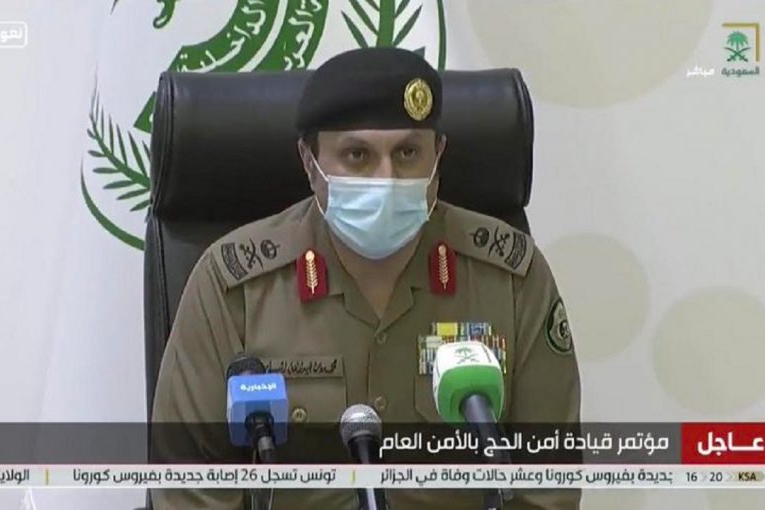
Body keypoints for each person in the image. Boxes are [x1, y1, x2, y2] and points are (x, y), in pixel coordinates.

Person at [151, 47, 581, 509]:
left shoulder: (512, 278)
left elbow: (547, 484)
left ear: (439, 155)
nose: (386, 179)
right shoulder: (233, 285)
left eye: (407, 153)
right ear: (309, 161)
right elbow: (188, 488)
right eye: (357, 155)